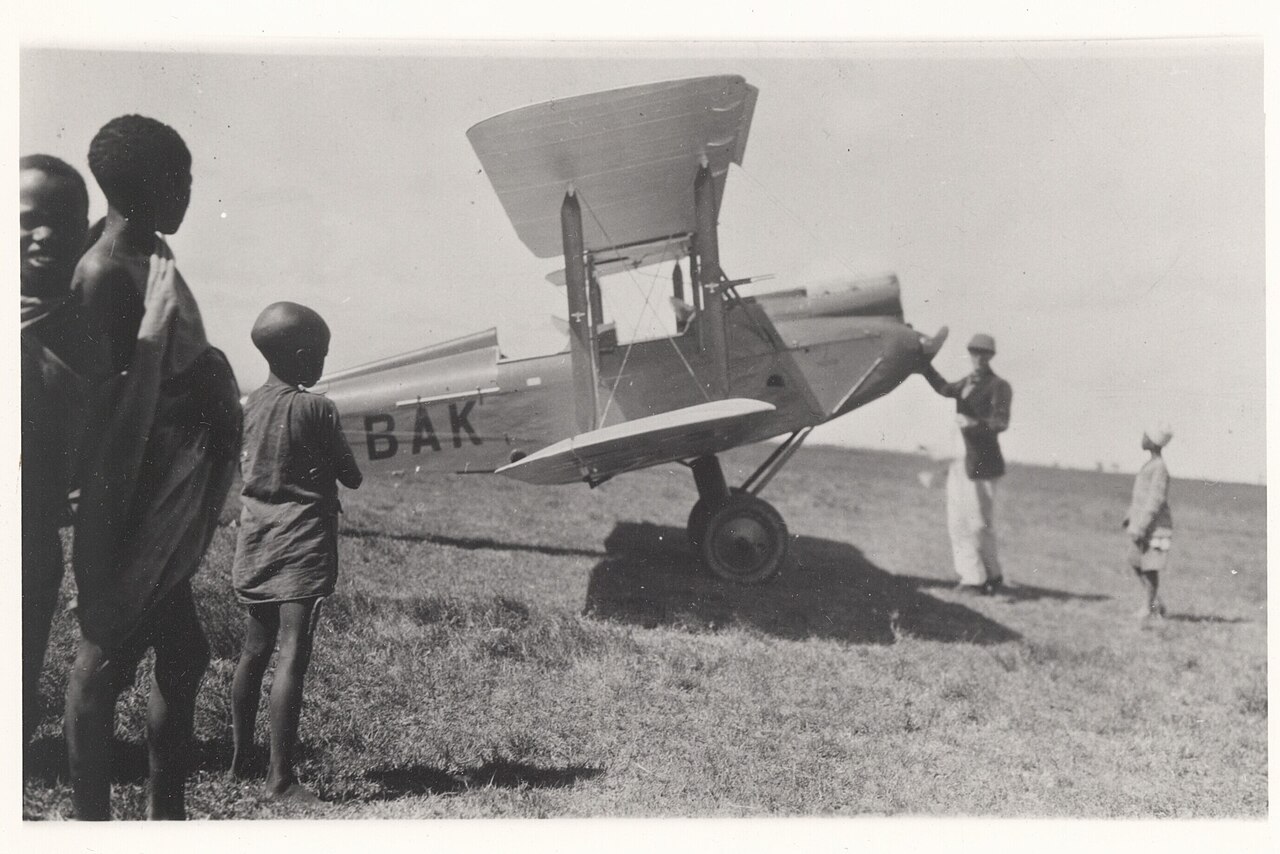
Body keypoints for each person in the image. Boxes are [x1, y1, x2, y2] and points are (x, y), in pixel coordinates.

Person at [65, 115, 242, 820]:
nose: (191, 193)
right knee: (103, 652)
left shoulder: (151, 252)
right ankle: (89, 820)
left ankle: (163, 812)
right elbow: (106, 401)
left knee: (184, 654)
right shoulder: (105, 270)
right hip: (131, 491)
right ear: (141, 185)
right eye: (183, 179)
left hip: (168, 487)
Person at [230, 302, 362, 800]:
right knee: (292, 655)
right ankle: (280, 780)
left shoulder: (248, 407)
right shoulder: (317, 407)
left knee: (253, 651)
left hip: (255, 542)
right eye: (322, 354)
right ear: (306, 356)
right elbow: (350, 474)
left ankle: (242, 757)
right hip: (302, 545)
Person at [19, 155, 110, 742]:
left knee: (22, 654)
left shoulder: (92, 331)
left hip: (33, 536)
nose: (46, 233)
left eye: (64, 220)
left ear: (88, 232)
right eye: (28, 218)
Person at [919, 333, 1013, 595]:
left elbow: (1001, 422)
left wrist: (975, 424)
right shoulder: (966, 383)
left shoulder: (999, 386)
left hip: (982, 465)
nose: (978, 357)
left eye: (984, 353)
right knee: (959, 522)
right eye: (974, 352)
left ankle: (982, 578)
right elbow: (944, 389)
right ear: (970, 354)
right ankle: (980, 576)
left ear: (991, 356)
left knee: (978, 524)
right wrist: (923, 364)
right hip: (962, 462)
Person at [1123, 425, 1173, 620]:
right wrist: (1130, 518)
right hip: (1141, 525)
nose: (1142, 438)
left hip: (1154, 528)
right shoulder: (1151, 465)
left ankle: (1148, 607)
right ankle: (1154, 602)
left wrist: (1141, 526)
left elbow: (1155, 500)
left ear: (1153, 441)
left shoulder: (1159, 467)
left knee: (1149, 567)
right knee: (1135, 562)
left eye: (1146, 435)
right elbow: (1140, 498)